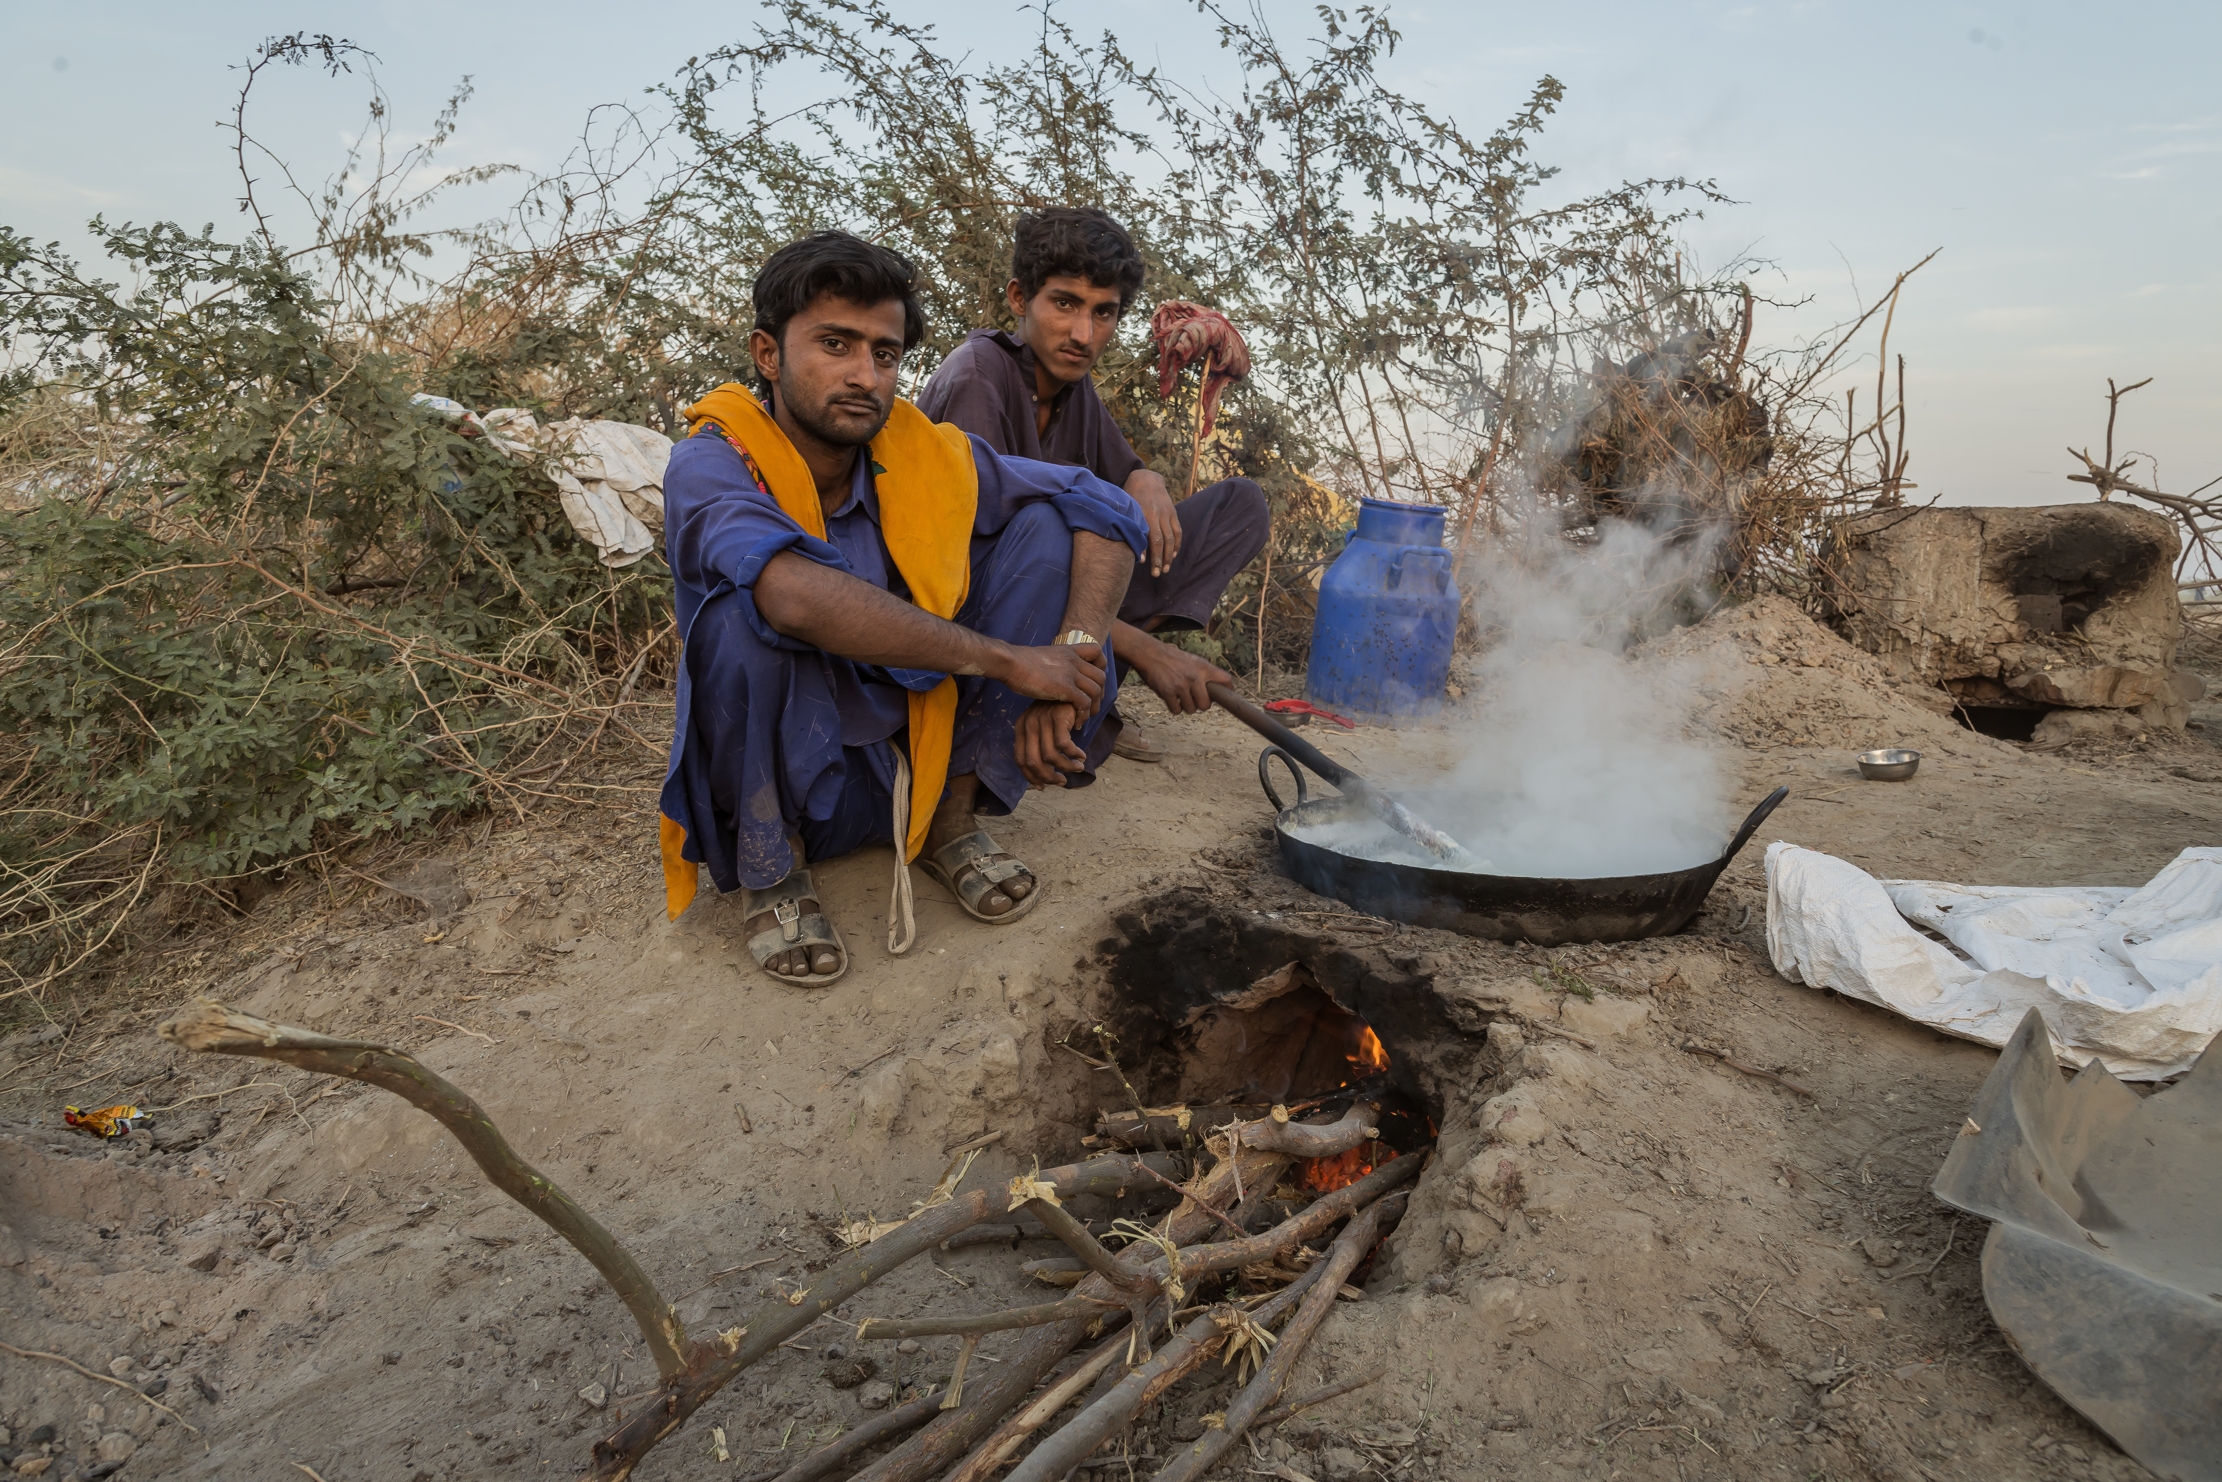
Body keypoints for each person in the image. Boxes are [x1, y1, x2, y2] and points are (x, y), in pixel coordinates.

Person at [657, 232, 1147, 986]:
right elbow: (789, 592)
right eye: (834, 344)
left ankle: (949, 825)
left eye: (884, 355)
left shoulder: (920, 452)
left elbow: (1106, 506)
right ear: (766, 353)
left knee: (1047, 528)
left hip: (907, 771)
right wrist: (1009, 661)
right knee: (738, 616)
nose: (864, 376)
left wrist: (1073, 659)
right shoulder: (715, 460)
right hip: (792, 779)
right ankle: (773, 871)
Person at [917, 208, 1269, 762]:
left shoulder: (1071, 388)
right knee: (1050, 529)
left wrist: (1144, 477)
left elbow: (1119, 471)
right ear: (1018, 298)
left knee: (1240, 505)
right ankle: (1068, 691)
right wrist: (1153, 655)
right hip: (979, 608)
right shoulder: (977, 377)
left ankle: (1090, 689)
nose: (1083, 334)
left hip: (1066, 605)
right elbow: (997, 566)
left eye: (1103, 313)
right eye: (1064, 304)